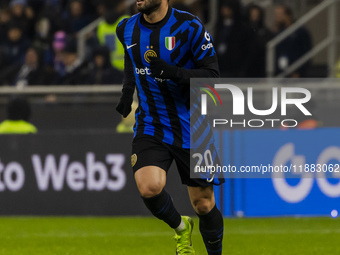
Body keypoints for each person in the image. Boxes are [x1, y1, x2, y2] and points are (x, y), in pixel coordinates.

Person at [116, 0, 224, 254]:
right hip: (151, 124)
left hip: (193, 127)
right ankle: (181, 227)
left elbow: (212, 77)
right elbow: (132, 62)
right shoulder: (126, 28)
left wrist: (174, 72)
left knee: (204, 205)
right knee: (149, 187)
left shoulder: (189, 26)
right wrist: (127, 92)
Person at [215, 0, 256, 77]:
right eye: (224, 7)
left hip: (235, 69)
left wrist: (242, 69)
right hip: (221, 66)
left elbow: (247, 50)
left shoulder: (242, 28)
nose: (225, 10)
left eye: (228, 7)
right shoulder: (219, 26)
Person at [273, 4, 312, 77]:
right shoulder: (278, 32)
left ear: (288, 15)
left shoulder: (300, 31)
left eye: (279, 14)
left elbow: (306, 52)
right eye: (276, 14)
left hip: (297, 73)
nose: (277, 17)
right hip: (282, 73)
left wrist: (299, 71)